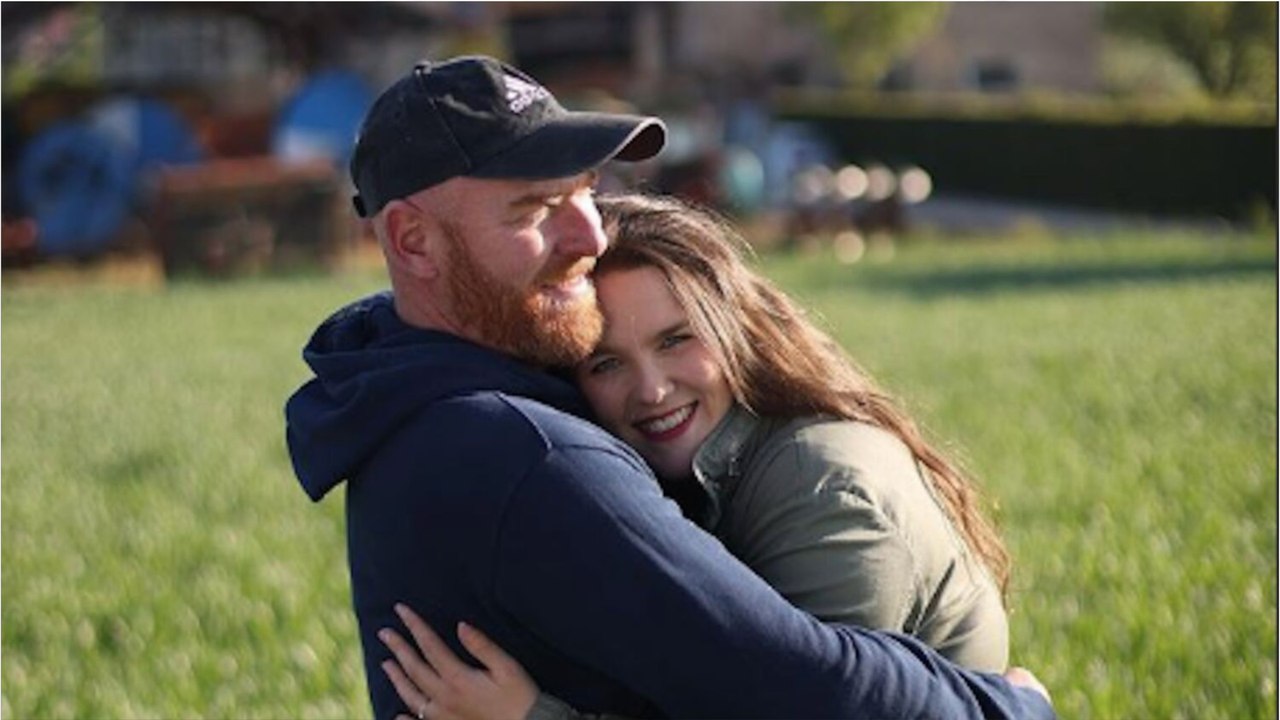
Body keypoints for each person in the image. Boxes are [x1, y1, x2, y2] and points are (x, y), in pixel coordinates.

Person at [285, 55, 1054, 720]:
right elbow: (812, 689)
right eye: (535, 208)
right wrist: (1007, 707)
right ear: (413, 241)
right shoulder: (526, 456)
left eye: (584, 191)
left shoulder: (397, 399)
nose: (589, 235)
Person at [375, 192, 1014, 718]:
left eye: (677, 340)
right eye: (606, 363)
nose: (651, 389)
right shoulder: (677, 480)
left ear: (732, 329)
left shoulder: (818, 481)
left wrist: (531, 717)